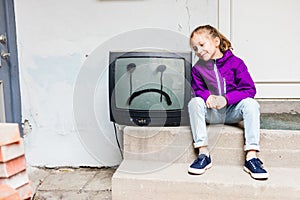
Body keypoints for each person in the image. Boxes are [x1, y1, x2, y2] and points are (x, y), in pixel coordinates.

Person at [187, 24, 268, 180]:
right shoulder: (197, 69)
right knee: (194, 102)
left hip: (232, 112)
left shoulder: (236, 63)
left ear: (216, 41)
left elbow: (249, 89)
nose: (199, 50)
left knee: (251, 104)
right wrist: (207, 96)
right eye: (195, 48)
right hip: (212, 113)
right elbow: (197, 89)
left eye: (202, 45)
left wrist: (226, 99)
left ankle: (252, 157)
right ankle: (203, 154)